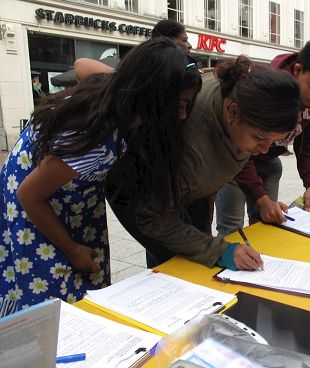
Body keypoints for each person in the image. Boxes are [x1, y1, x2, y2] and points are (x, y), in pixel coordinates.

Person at [0, 38, 197, 315]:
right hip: (38, 204)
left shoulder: (117, 91)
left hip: (66, 193)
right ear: (153, 96)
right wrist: (70, 249)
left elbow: (81, 64)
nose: (184, 115)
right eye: (178, 106)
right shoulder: (97, 140)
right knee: (53, 294)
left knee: (87, 270)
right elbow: (28, 195)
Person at [79, 58, 301, 269]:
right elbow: (153, 218)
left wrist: (259, 199)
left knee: (196, 245)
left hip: (178, 188)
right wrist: (219, 250)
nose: (263, 150)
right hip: (139, 194)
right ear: (232, 111)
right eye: (260, 139)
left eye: (272, 142)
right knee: (178, 261)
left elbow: (231, 158)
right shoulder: (191, 142)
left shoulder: (240, 98)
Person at [215, 35, 310, 236]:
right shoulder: (268, 89)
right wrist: (261, 198)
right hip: (235, 162)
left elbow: (308, 144)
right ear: (297, 70)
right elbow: (238, 145)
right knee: (231, 230)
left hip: (267, 161)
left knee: (266, 224)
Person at [75, 19, 195, 83]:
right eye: (184, 40)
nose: (189, 46)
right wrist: (122, 77)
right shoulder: (143, 73)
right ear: (169, 41)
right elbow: (81, 64)